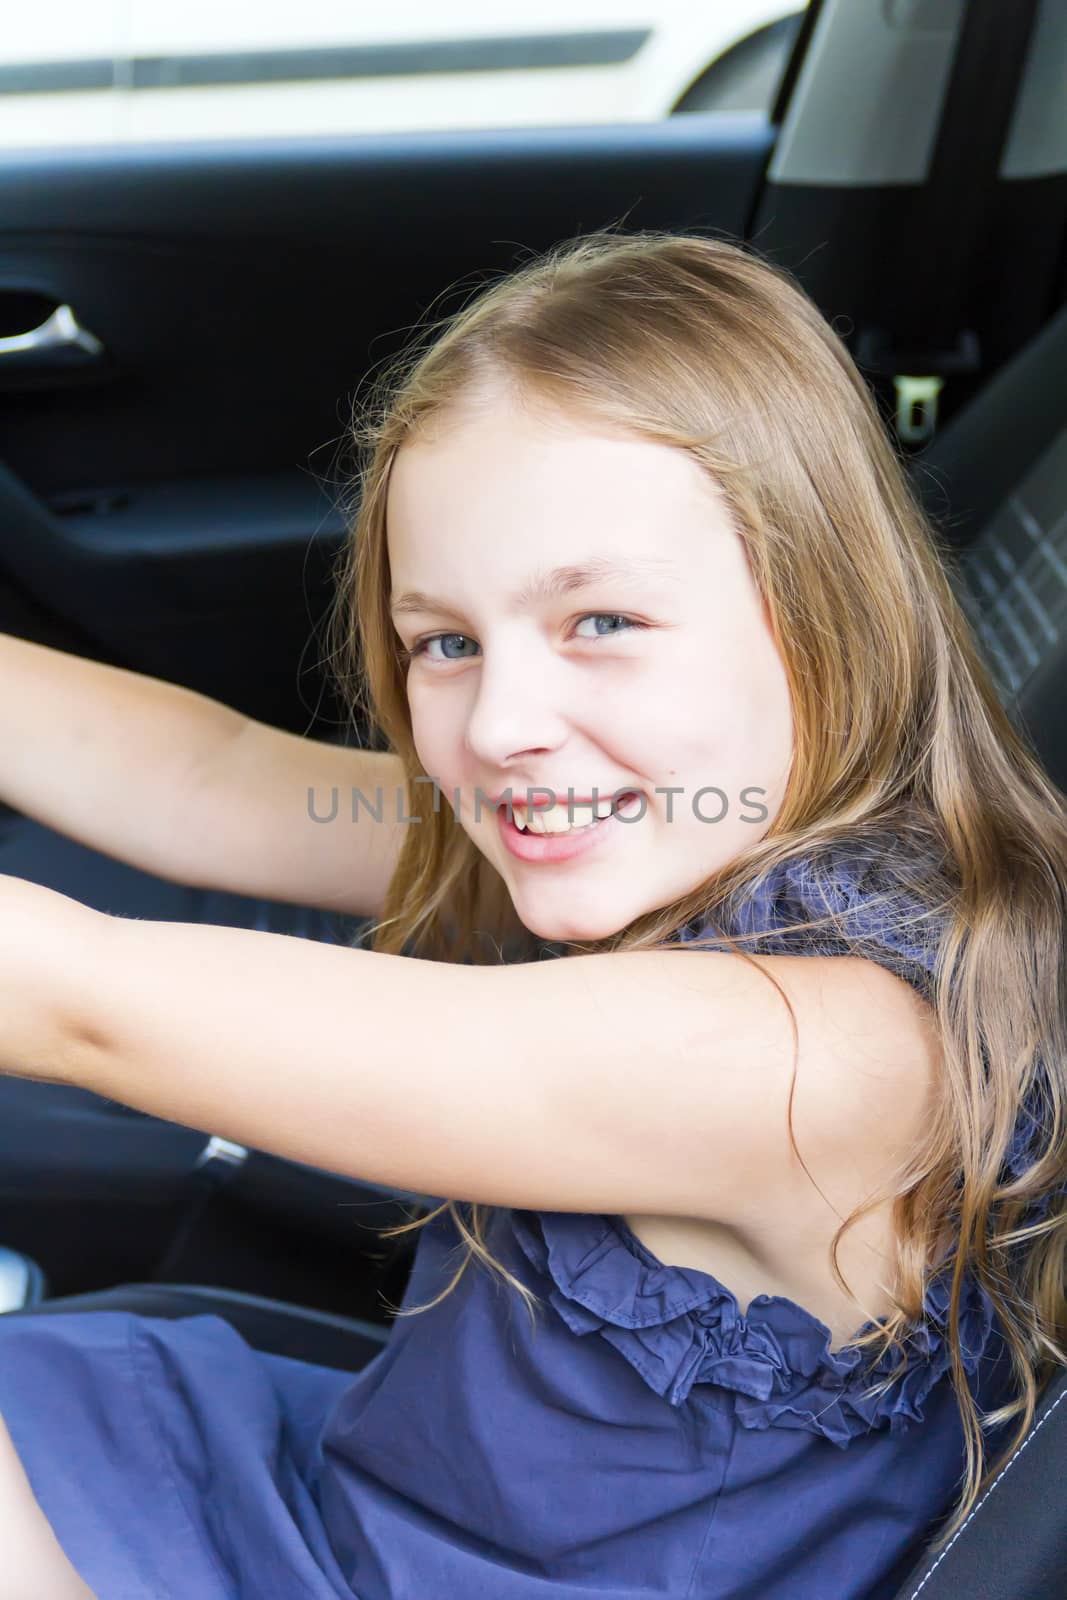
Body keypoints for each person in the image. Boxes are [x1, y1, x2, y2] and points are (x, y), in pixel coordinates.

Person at [0, 227, 1064, 1600]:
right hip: (356, 1511)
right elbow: (219, 778)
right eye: (446, 642)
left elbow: (79, 1006)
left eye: (601, 624)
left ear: (819, 614)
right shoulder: (674, 820)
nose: (502, 726)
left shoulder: (811, 1054)